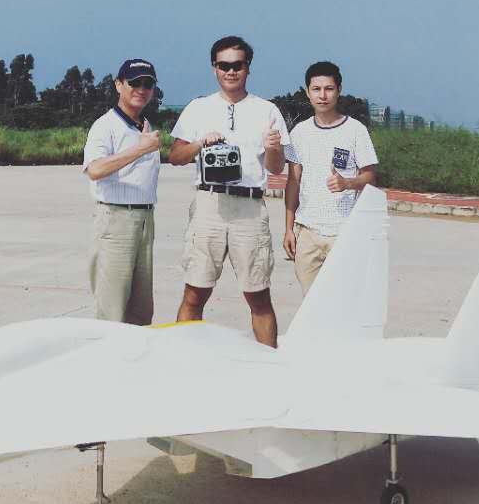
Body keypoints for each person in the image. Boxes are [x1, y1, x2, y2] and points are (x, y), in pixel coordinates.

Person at [169, 36, 288, 346]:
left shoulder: (267, 110)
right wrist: (200, 143)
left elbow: (276, 168)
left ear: (248, 68)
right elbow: (175, 156)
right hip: (209, 203)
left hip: (249, 207)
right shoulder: (198, 108)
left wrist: (274, 148)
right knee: (195, 291)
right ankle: (183, 355)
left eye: (238, 65)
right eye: (224, 65)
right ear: (214, 68)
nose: (231, 72)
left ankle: (269, 364)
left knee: (258, 294)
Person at [282, 60, 378, 295]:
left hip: (344, 233)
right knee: (311, 303)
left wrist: (348, 183)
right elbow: (293, 182)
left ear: (339, 90)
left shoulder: (355, 130)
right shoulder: (300, 132)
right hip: (307, 232)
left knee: (343, 300)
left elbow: (370, 177)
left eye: (329, 89)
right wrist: (289, 228)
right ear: (307, 92)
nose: (322, 95)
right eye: (316, 89)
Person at [83, 58, 163, 325]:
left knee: (141, 311)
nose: (141, 89)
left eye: (148, 84)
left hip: (145, 221)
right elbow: (95, 169)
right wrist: (139, 149)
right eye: (134, 83)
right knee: (112, 309)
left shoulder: (145, 125)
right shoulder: (105, 126)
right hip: (116, 221)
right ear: (119, 85)